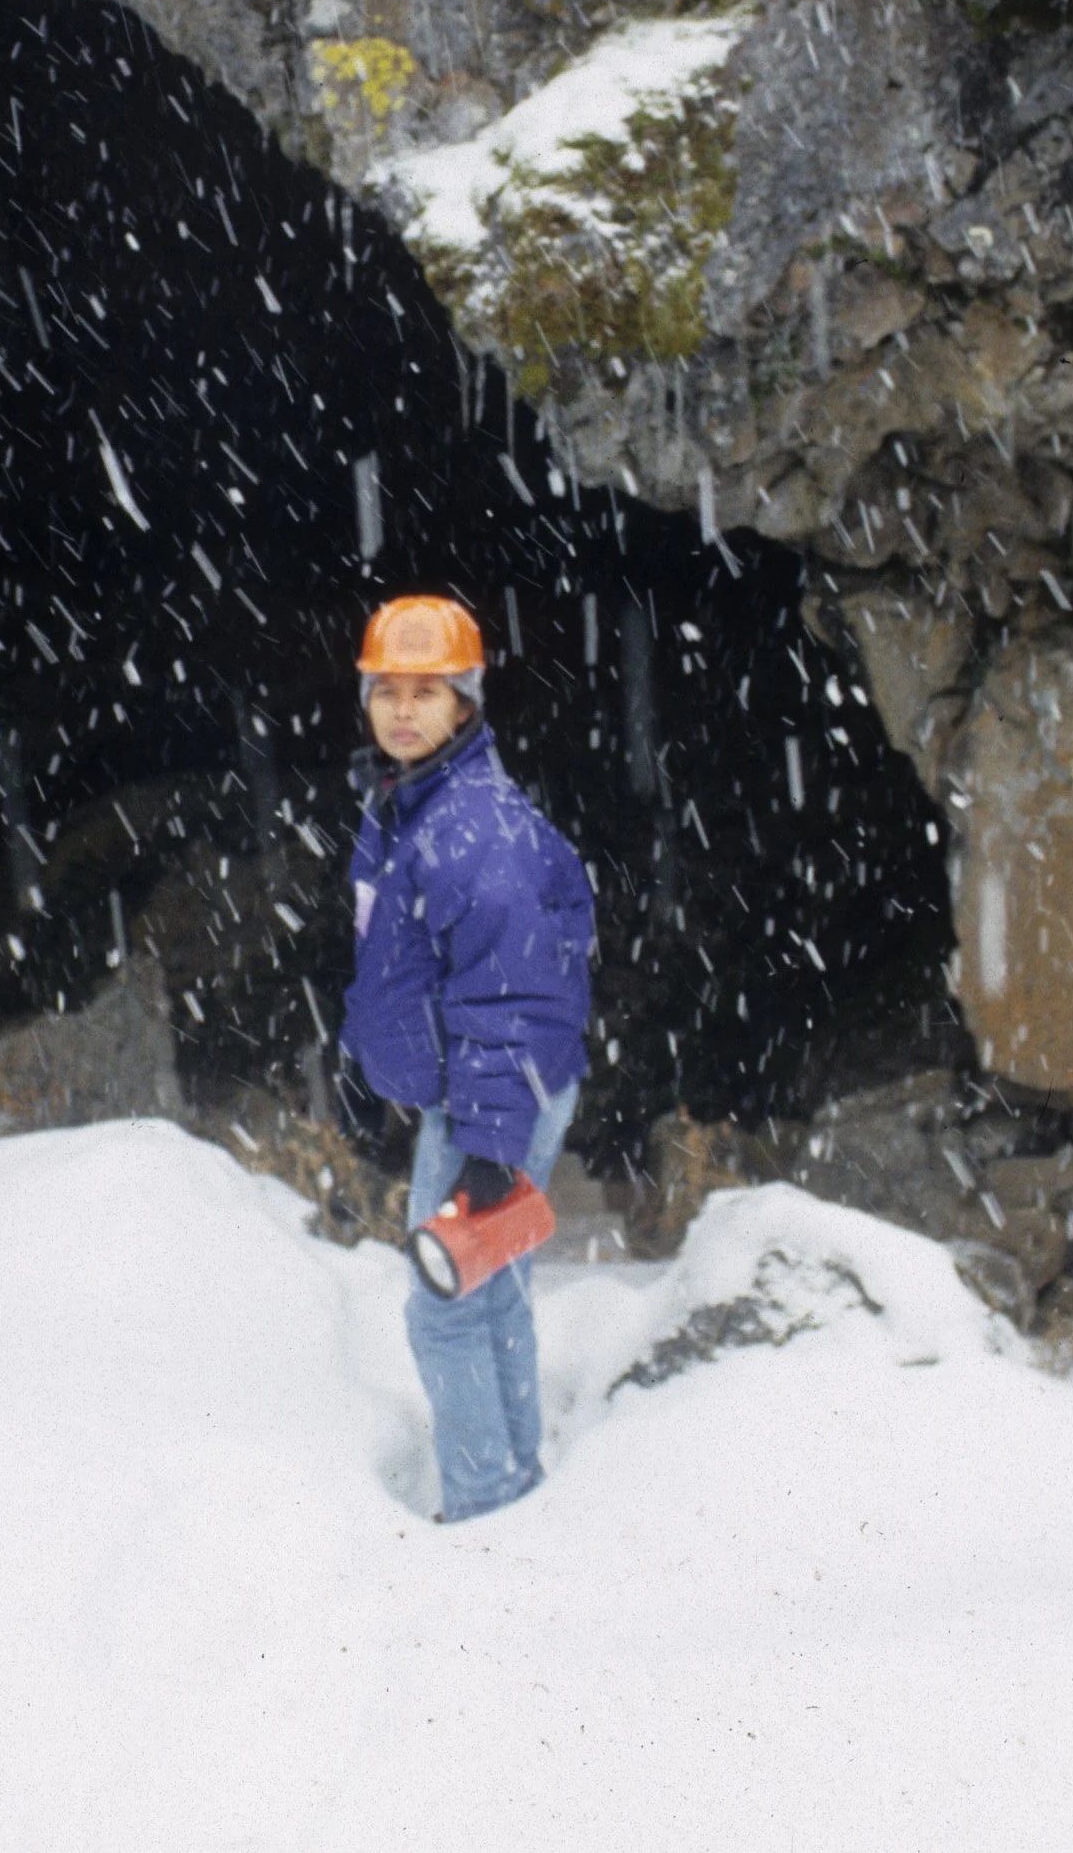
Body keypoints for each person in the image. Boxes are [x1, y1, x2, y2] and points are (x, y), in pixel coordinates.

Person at [339, 593, 595, 1523]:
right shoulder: (408, 803)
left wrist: (490, 1147)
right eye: (387, 689)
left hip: (496, 1097)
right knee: (489, 1290)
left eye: (428, 690)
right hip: (477, 1089)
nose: (403, 709)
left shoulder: (473, 830)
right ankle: (515, 1482)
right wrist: (362, 1061)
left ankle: (486, 1506)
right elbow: (392, 960)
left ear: (466, 702)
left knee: (445, 1303)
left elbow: (514, 998)